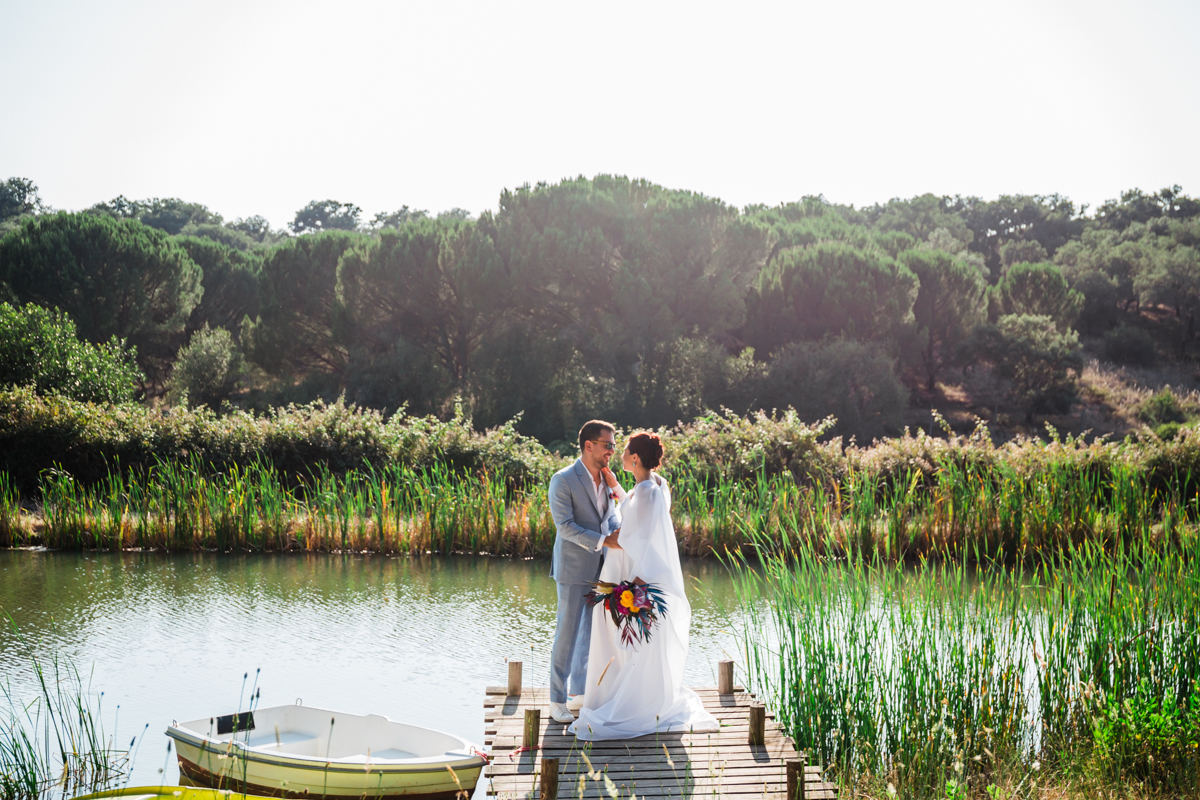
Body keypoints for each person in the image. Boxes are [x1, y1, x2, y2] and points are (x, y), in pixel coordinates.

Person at [569, 432, 719, 740]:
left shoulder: (649, 491)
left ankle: (629, 703)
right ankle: (611, 695)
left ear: (635, 457)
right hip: (629, 572)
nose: (619, 454)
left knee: (627, 641)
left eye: (624, 450)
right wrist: (615, 487)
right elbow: (636, 509)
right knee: (623, 640)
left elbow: (642, 533)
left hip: (634, 576)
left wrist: (631, 582)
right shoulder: (653, 486)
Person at [546, 420, 627, 724]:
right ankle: (556, 701)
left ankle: (578, 693)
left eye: (614, 446)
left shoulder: (606, 479)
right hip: (572, 569)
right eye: (608, 445)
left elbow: (611, 516)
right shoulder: (563, 479)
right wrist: (604, 541)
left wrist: (622, 532)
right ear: (589, 445)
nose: (612, 451)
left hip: (601, 570)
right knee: (566, 635)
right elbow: (565, 527)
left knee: (589, 636)